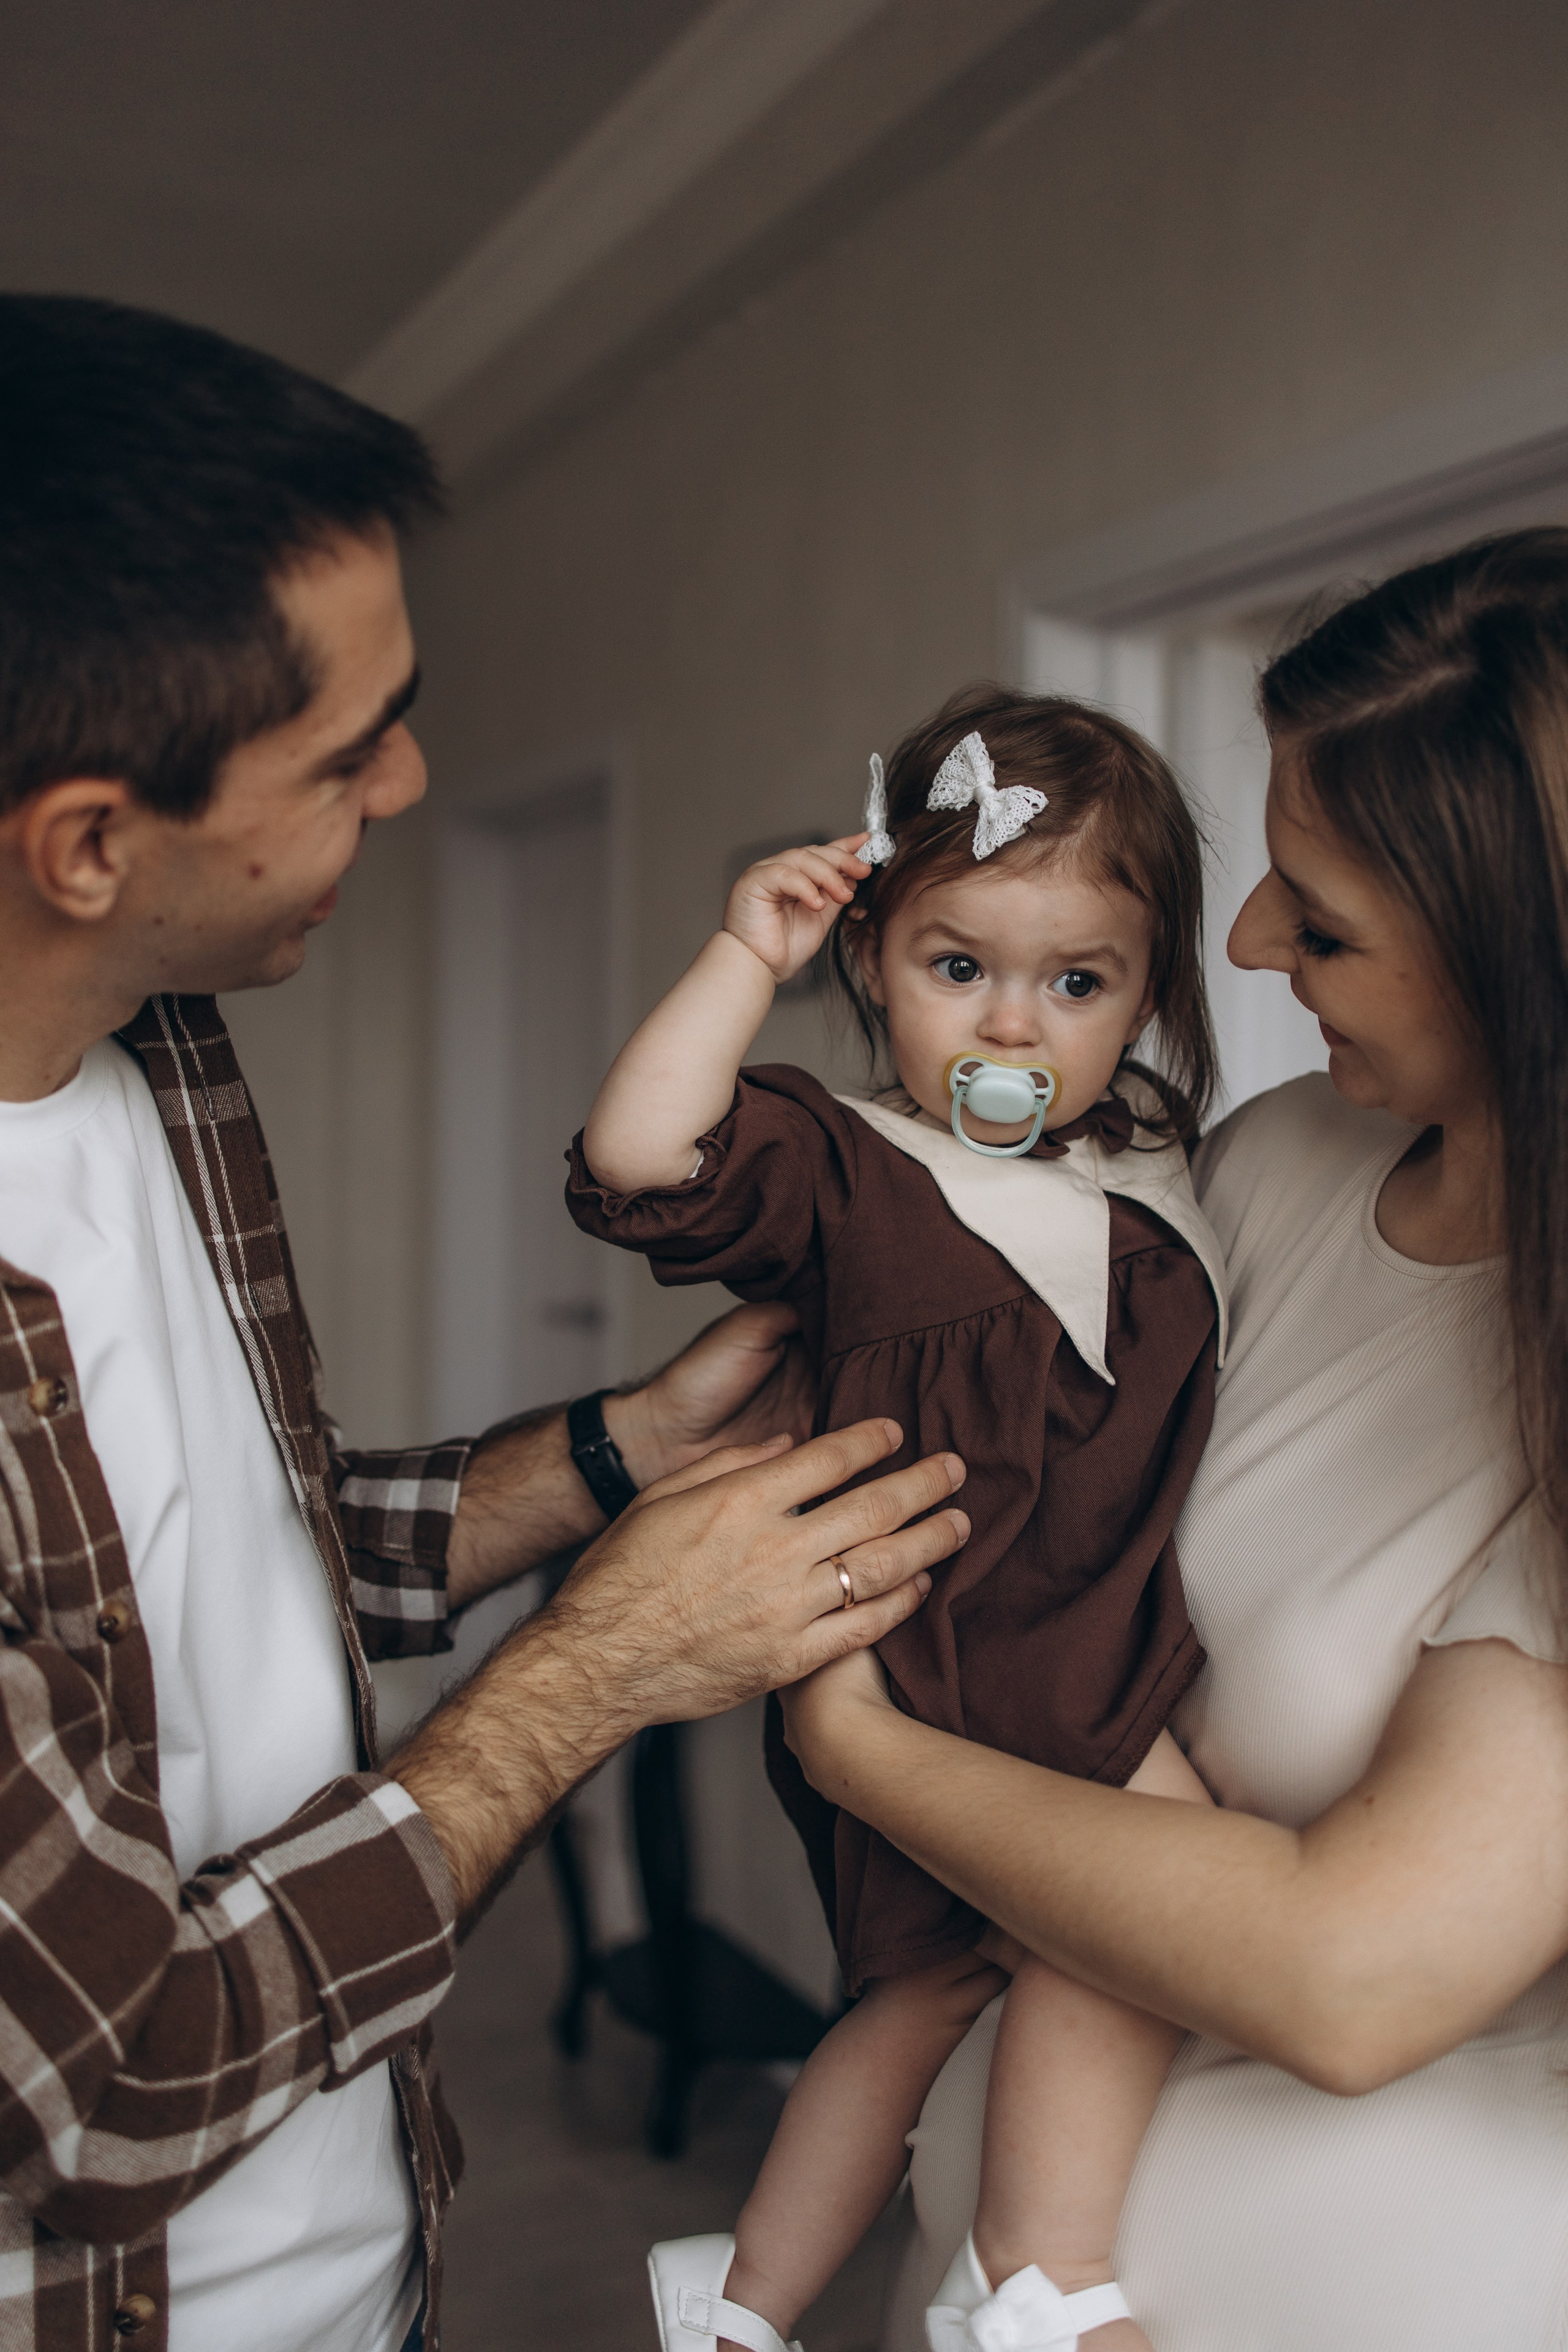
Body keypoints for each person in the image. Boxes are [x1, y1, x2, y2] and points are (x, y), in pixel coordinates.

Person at [0, 293, 971, 2352]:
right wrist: (600, 1668)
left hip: (372, 2259)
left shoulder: (151, 1049)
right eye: (351, 751)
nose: (417, 779)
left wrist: (613, 1456)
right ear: (89, 843)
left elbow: (177, 1572)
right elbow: (106, 2079)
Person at [782, 529, 1568, 2352]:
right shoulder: (1277, 1167)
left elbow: (1353, 1974)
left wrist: (854, 1740)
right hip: (1001, 2256)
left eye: (1324, 918)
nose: (1240, 947)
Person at [567, 687, 1231, 2352]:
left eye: (1076, 984)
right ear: (872, 962)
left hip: (1057, 1639)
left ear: (1150, 993)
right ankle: (1046, 2277)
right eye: (959, 971)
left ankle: (739, 2305)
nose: (1013, 1031)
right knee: (1172, 1900)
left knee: (926, 1988)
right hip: (974, 1645)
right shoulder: (847, 1163)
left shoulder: (1150, 1174)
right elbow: (641, 1153)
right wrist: (743, 951)